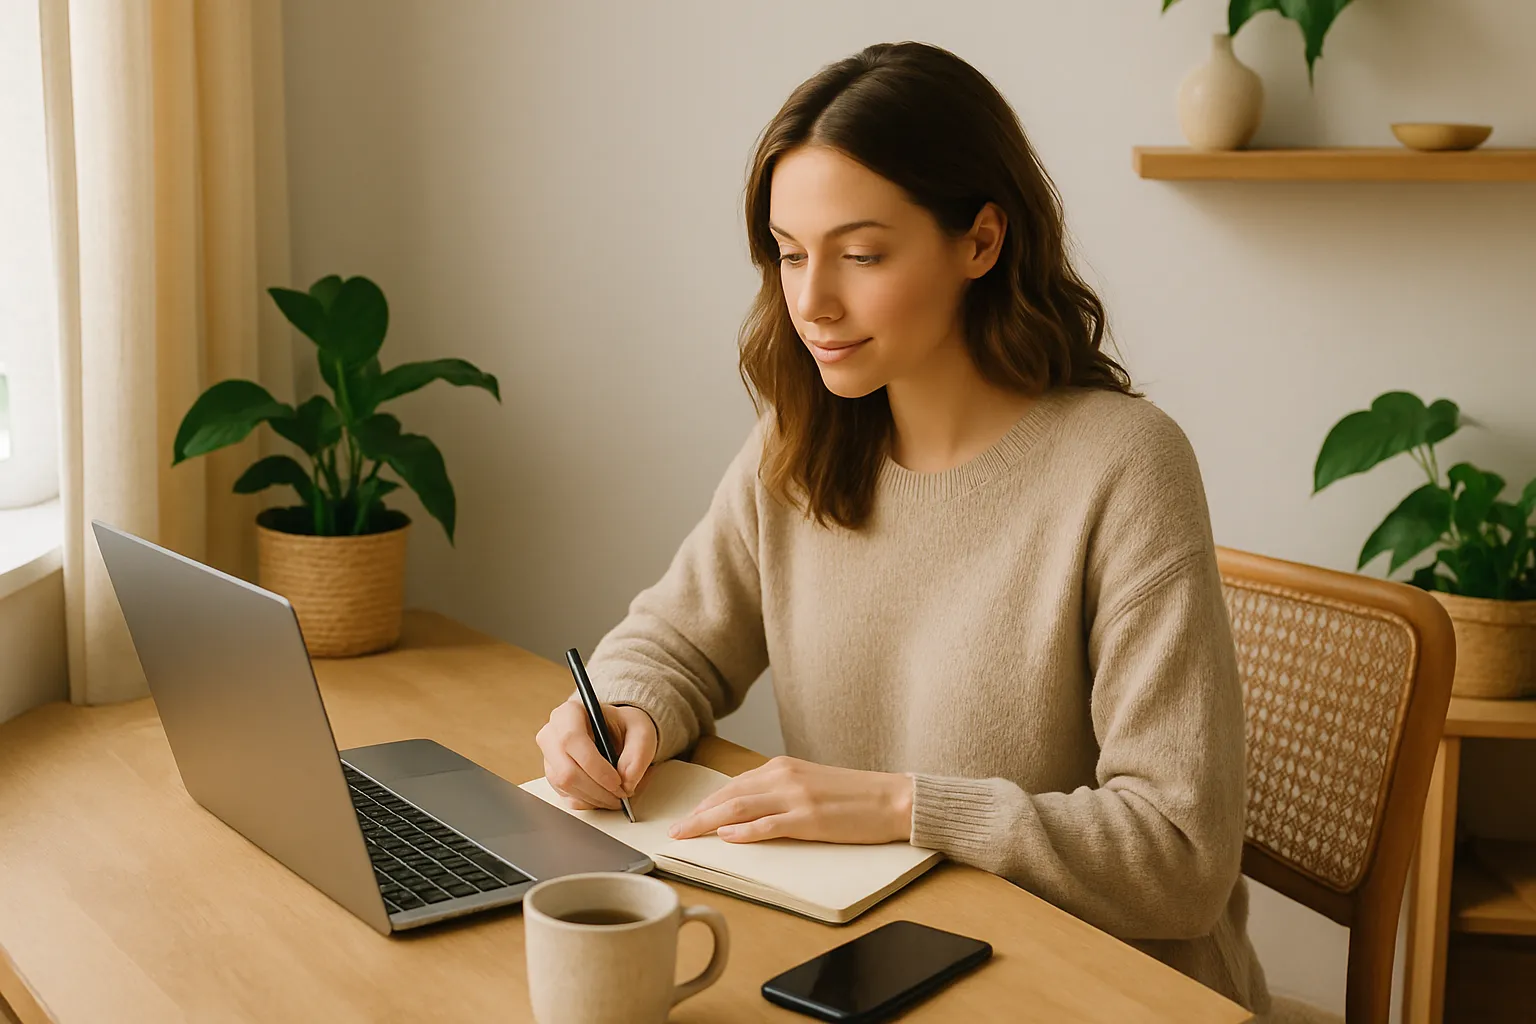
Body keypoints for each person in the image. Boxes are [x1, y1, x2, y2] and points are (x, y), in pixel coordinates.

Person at [535, 40, 1269, 1015]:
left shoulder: (1124, 465)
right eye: (790, 255)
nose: (811, 301)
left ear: (980, 240)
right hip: (880, 973)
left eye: (862, 254)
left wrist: (900, 807)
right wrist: (623, 708)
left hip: (1103, 991)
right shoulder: (800, 443)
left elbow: (1179, 857)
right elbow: (675, 639)